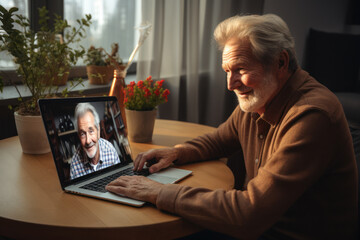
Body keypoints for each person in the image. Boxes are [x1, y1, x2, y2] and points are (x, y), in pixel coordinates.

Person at [106, 14, 358, 239]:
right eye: (227, 70)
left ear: (280, 63)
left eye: (240, 69)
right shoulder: (262, 96)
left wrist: (158, 193)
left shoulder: (311, 115)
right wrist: (178, 152)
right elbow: (220, 139)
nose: (230, 84)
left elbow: (250, 213)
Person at [70, 103, 120, 179]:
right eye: (83, 134)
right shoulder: (74, 163)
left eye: (91, 131)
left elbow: (120, 181)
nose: (88, 141)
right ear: (79, 137)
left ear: (98, 130)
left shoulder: (110, 150)